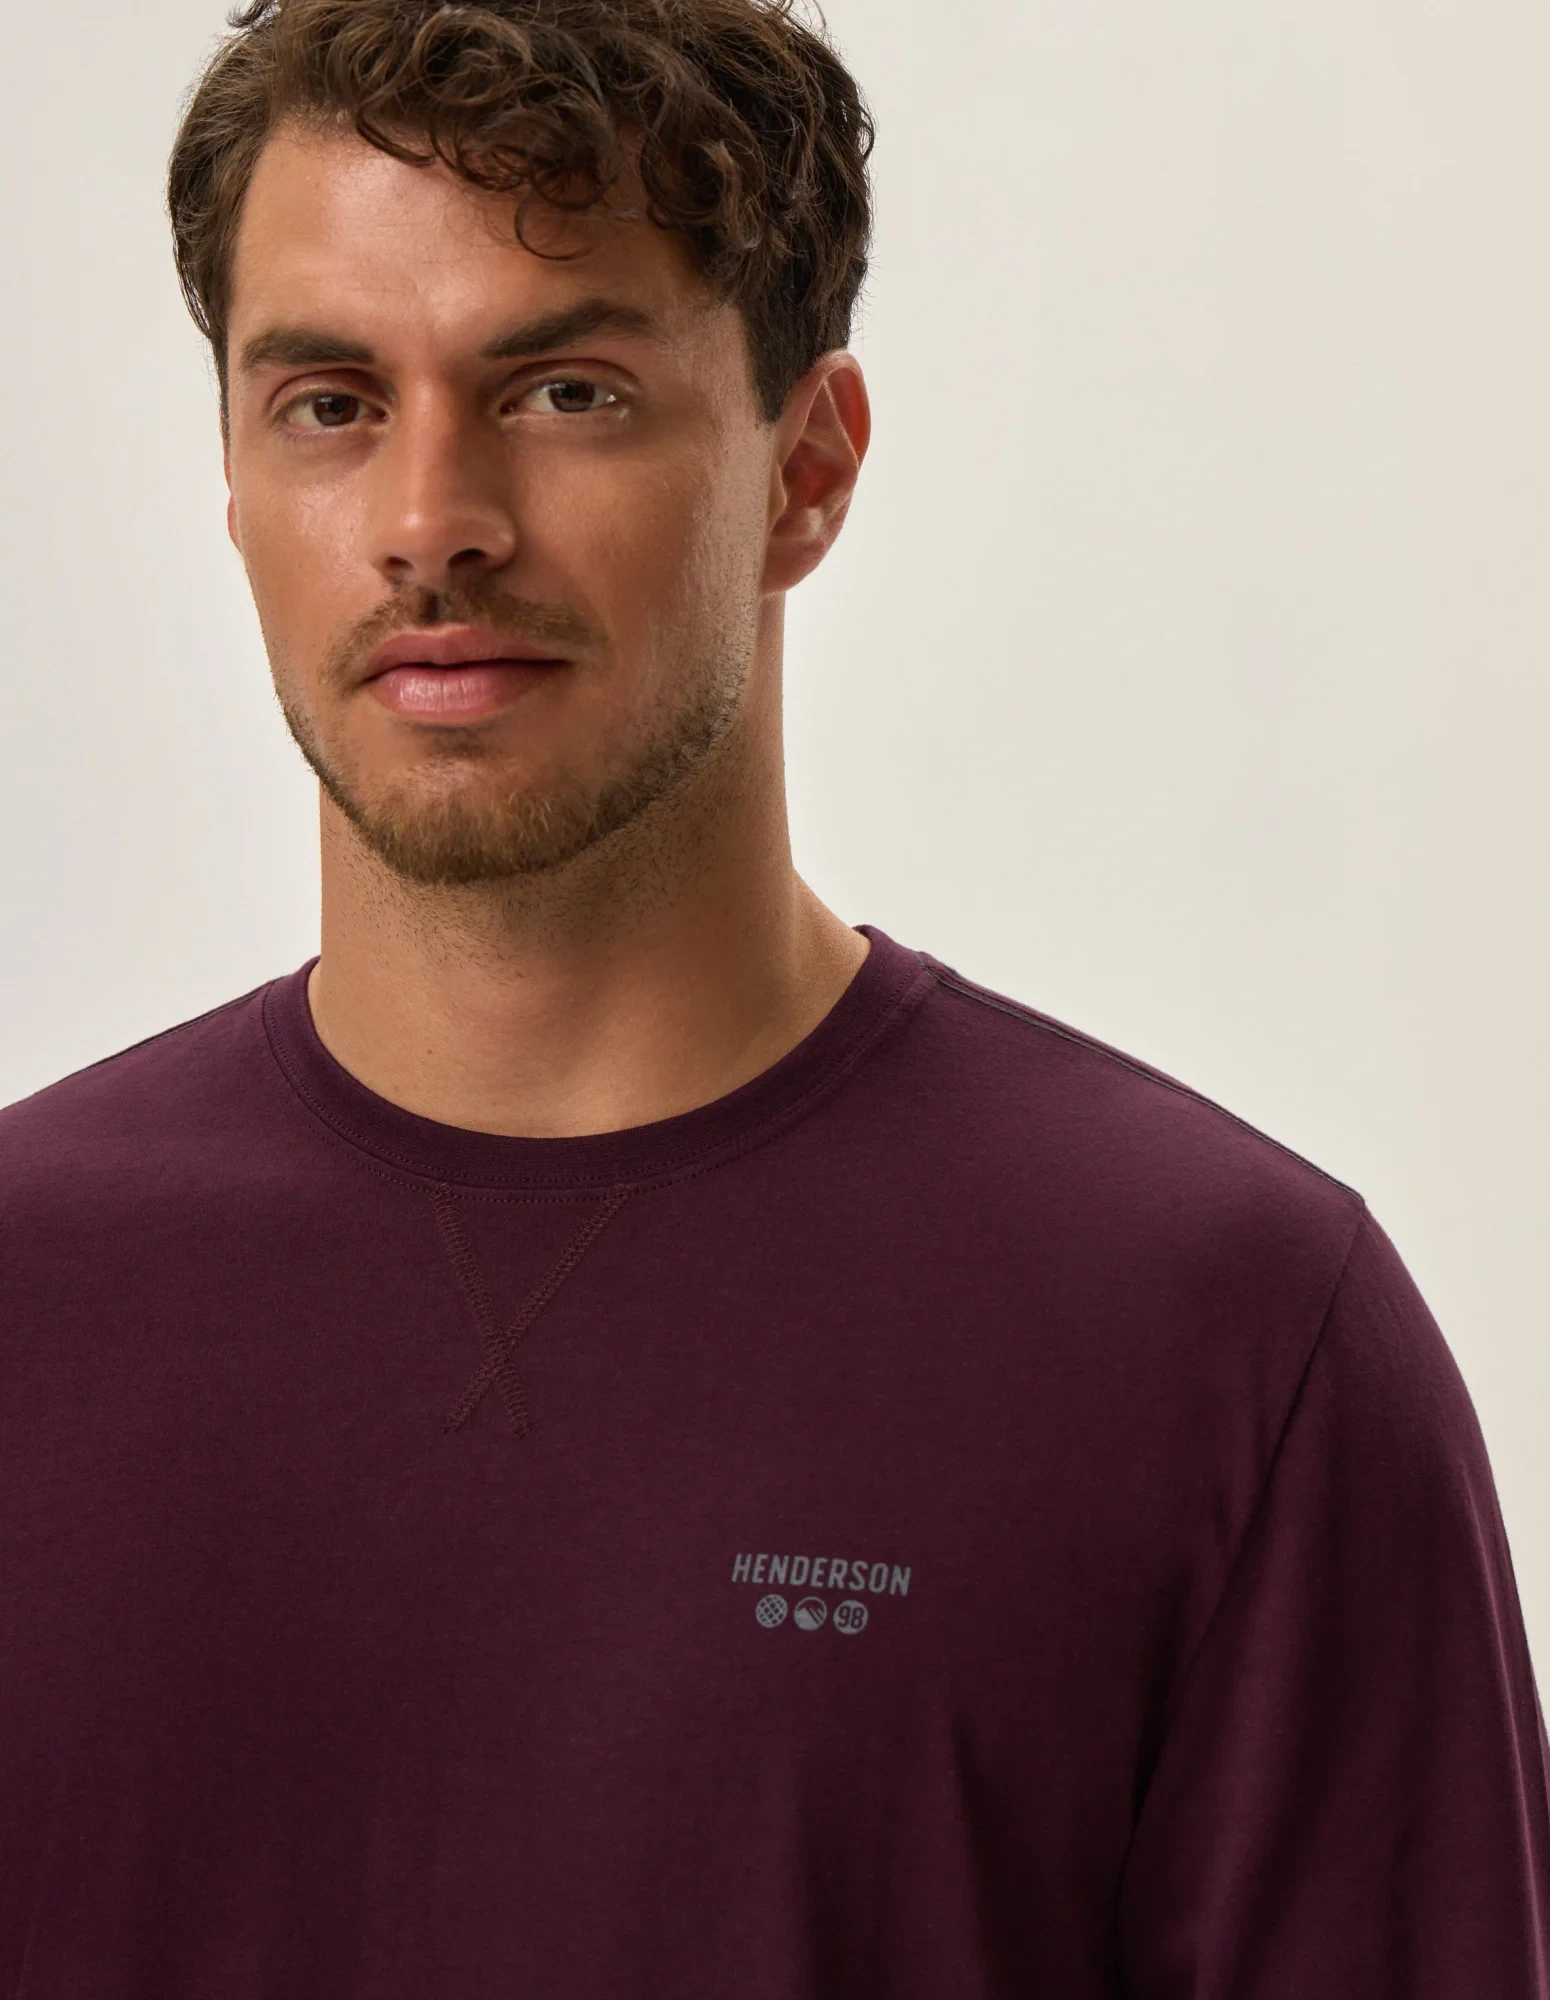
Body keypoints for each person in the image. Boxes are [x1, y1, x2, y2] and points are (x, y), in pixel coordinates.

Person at [2, 0, 1546, 1990]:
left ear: (805, 470)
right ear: (230, 472)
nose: (428, 518)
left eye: (564, 390)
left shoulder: (1228, 1341)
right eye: (329, 403)